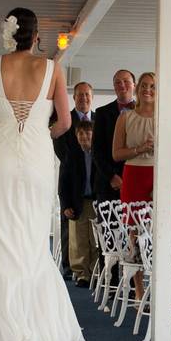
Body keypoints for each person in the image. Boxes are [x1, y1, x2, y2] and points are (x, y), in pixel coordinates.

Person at [0, 7, 88, 341]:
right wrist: (40, 135)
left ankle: (8, 334)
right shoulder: (52, 68)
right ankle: (39, 329)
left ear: (8, 32)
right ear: (36, 35)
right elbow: (64, 122)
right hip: (35, 159)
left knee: (2, 246)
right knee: (33, 243)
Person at [111, 71, 156, 299]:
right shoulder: (125, 117)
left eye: (153, 86)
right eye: (145, 86)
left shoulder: (166, 117)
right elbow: (116, 154)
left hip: (158, 176)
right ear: (138, 89)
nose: (148, 90)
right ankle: (139, 290)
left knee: (159, 233)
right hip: (133, 175)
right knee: (135, 234)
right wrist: (140, 149)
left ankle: (160, 287)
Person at [53, 81, 93, 278]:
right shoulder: (65, 120)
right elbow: (61, 151)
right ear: (74, 97)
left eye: (87, 94)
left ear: (91, 97)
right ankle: (70, 268)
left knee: (91, 232)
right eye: (80, 95)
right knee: (70, 226)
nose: (83, 98)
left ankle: (91, 269)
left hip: (93, 187)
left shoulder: (98, 120)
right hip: (71, 182)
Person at [59, 121, 99, 289]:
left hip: (96, 202)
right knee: (78, 240)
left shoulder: (99, 153)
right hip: (78, 202)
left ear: (93, 134)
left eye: (88, 133)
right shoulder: (72, 154)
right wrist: (65, 205)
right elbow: (63, 182)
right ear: (76, 136)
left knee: (95, 239)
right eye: (81, 134)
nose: (84, 137)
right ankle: (82, 274)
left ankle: (96, 272)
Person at [92, 69, 136, 202]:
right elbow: (97, 150)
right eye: (117, 82)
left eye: (126, 81)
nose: (122, 85)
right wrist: (112, 176)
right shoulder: (102, 113)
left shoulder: (145, 113)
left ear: (134, 85)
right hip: (108, 185)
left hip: (136, 181)